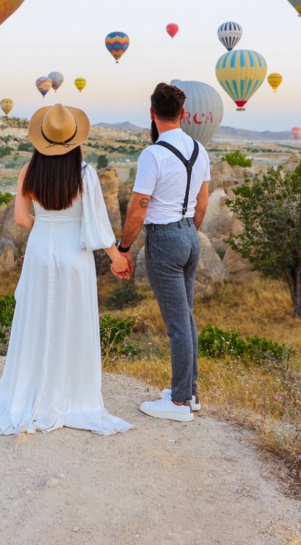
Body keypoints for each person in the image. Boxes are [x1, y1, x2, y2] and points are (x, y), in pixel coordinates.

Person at [0, 104, 135, 436]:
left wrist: (47, 226)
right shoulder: (85, 174)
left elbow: (22, 219)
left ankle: (32, 390)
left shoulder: (28, 171)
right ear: (74, 140)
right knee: (72, 322)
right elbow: (96, 225)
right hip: (74, 253)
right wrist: (117, 257)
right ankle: (70, 395)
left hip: (39, 250)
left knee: (38, 320)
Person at [115, 84, 211, 422]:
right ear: (183, 114)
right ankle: (190, 393)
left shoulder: (152, 154)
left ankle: (179, 401)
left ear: (153, 114)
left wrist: (123, 248)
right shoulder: (200, 149)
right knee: (186, 316)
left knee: (177, 324)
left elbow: (138, 211)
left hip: (165, 238)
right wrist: (189, 232)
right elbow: (203, 203)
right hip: (189, 234)